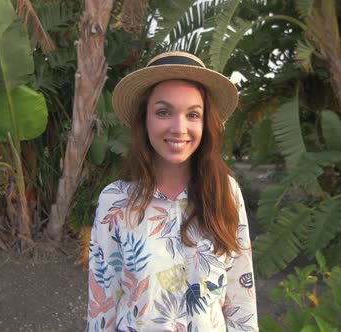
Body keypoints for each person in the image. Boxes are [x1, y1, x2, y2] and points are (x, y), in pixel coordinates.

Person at [85, 51, 258, 332]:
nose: (179, 128)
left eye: (193, 114)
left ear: (206, 123)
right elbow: (102, 304)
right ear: (145, 120)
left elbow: (242, 297)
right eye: (164, 112)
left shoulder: (227, 192)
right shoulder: (115, 202)